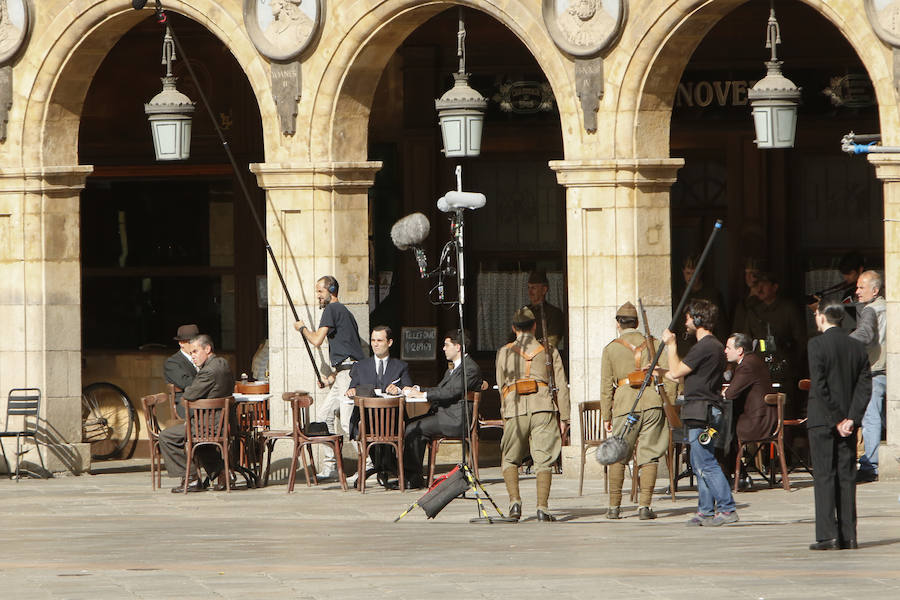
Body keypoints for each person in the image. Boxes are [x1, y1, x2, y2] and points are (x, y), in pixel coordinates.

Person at [663, 299, 738, 526]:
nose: (686, 323)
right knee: (699, 462)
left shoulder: (704, 346)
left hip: (703, 413)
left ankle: (727, 508)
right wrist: (660, 372)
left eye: (688, 318)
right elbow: (680, 372)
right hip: (705, 412)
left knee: (705, 461)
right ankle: (705, 510)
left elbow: (677, 372)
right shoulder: (712, 347)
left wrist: (671, 345)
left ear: (697, 319)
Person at [599, 302, 673, 520]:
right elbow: (669, 375)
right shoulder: (655, 344)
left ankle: (614, 507)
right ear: (637, 323)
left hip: (624, 405)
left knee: (618, 455)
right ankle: (644, 507)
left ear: (618, 324)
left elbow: (605, 386)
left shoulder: (611, 348)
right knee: (649, 455)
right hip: (651, 403)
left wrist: (606, 415)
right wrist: (666, 400)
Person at [806, 302, 871, 550]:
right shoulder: (857, 347)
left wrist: (836, 419)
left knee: (824, 476)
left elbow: (820, 386)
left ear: (822, 317)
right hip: (848, 421)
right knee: (846, 476)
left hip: (824, 420)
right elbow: (864, 386)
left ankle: (827, 535)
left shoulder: (816, 345)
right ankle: (848, 534)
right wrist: (851, 418)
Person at [496, 307, 570, 522]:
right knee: (543, 459)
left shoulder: (504, 352)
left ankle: (514, 503)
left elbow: (501, 385)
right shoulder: (549, 351)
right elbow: (562, 386)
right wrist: (564, 417)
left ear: (513, 328)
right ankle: (542, 507)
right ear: (534, 326)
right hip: (543, 407)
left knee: (509, 458)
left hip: (515, 408)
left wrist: (504, 413)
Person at [294, 275, 364, 479]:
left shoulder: (332, 309)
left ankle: (367, 466)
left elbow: (316, 340)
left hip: (349, 374)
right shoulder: (344, 312)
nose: (317, 296)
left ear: (331, 290)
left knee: (348, 422)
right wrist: (332, 377)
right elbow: (347, 351)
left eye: (320, 291)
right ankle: (332, 467)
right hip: (344, 372)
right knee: (323, 417)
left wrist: (302, 328)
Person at [401, 330, 482, 489]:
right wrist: (416, 389)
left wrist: (422, 394)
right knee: (407, 424)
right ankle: (407, 474)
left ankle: (413, 478)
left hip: (456, 419)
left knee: (413, 429)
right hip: (446, 414)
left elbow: (450, 392)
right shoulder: (452, 369)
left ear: (458, 347)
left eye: (446, 345)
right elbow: (440, 389)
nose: (443, 348)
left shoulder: (469, 368)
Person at [159, 334, 235, 492]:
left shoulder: (208, 371)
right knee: (200, 444)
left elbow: (189, 395)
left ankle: (191, 478)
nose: (192, 356)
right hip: (221, 422)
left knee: (166, 437)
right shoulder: (223, 363)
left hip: (209, 424)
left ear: (207, 349)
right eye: (191, 352)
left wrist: (190, 396)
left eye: (195, 351)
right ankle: (222, 473)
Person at [345, 325, 412, 487]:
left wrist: (399, 389)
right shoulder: (360, 366)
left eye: (380, 340)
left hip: (393, 421)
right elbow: (352, 388)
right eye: (373, 340)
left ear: (389, 342)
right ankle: (380, 466)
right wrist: (351, 390)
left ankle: (389, 467)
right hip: (367, 420)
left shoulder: (400, 366)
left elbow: (408, 388)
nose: (375, 344)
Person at [732, 271, 806, 394]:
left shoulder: (788, 309)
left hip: (784, 369)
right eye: (757, 285)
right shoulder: (753, 311)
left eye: (764, 284)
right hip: (759, 369)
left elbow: (801, 340)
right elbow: (746, 340)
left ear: (774, 287)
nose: (760, 288)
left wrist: (793, 364)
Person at [723, 332, 777, 489]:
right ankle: (741, 475)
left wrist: (723, 392)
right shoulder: (753, 361)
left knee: (720, 433)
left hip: (757, 421)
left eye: (728, 347)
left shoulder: (746, 365)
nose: (725, 351)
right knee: (724, 430)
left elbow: (730, 393)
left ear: (739, 350)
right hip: (759, 417)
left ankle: (732, 476)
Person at [849, 270, 886, 483]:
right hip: (889, 368)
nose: (857, 292)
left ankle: (870, 464)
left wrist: (842, 342)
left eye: (861, 287)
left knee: (871, 417)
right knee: (884, 417)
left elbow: (866, 335)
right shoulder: (889, 306)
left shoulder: (871, 310)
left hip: (876, 368)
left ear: (875, 289)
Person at [674, 255, 727, 357]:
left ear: (700, 273)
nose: (690, 277)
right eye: (688, 273)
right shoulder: (679, 295)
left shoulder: (711, 295)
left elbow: (721, 325)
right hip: (683, 346)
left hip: (703, 346)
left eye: (694, 273)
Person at [164, 324, 200, 419]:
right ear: (181, 343)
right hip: (186, 406)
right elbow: (186, 383)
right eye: (191, 342)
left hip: (204, 402)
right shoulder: (173, 363)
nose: (195, 344)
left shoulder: (202, 356)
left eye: (197, 341)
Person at [525, 269, 566, 350]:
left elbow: (551, 342)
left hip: (542, 359)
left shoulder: (554, 313)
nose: (530, 292)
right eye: (528, 288)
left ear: (544, 290)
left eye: (533, 288)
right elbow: (513, 339)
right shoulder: (524, 312)